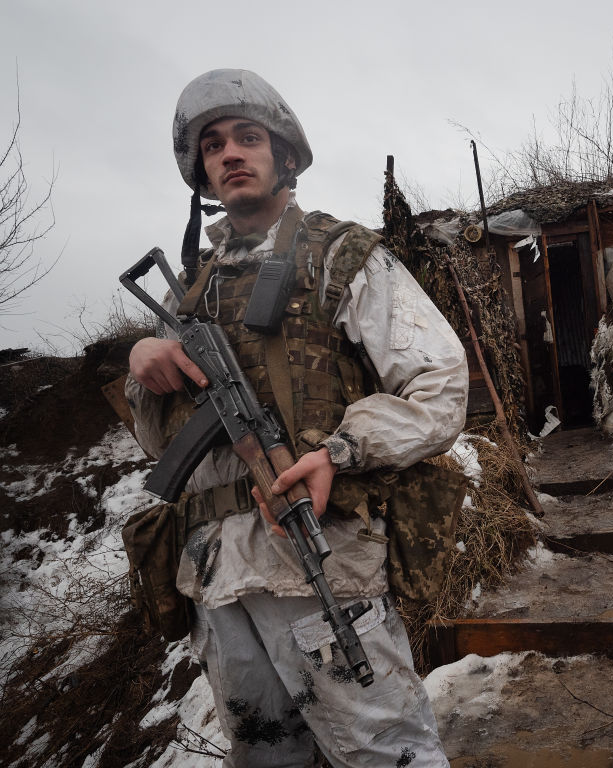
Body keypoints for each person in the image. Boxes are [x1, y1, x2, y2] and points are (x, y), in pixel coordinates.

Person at [126, 69, 467, 768]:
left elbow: (440, 385)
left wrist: (339, 452)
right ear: (201, 171)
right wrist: (145, 370)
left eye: (247, 137)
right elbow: (159, 444)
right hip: (219, 578)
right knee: (266, 757)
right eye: (213, 145)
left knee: (387, 753)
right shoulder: (191, 288)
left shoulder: (342, 254)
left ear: (284, 155)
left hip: (320, 562)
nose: (230, 153)